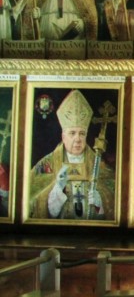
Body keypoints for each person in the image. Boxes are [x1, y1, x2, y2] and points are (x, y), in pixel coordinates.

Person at [28, 89, 115, 220]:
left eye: (82, 133)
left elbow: (115, 199)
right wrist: (57, 189)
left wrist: (100, 202)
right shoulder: (47, 165)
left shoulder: (99, 165)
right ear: (63, 136)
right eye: (72, 133)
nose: (78, 139)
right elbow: (31, 201)